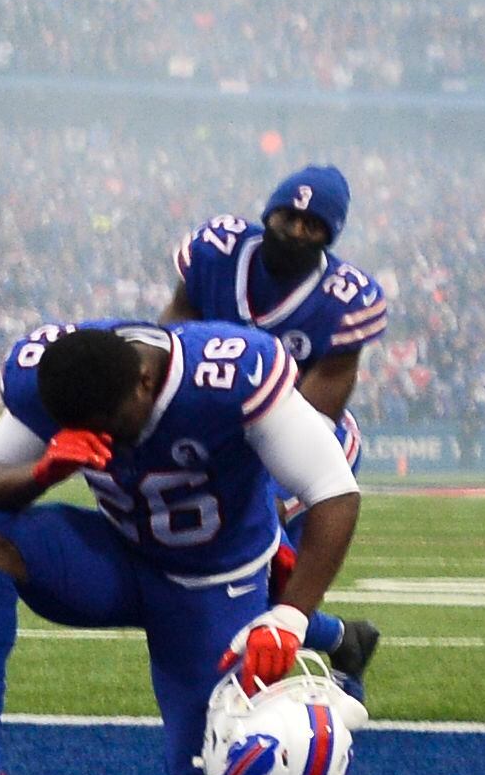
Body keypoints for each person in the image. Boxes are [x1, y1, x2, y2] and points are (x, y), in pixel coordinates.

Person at [0, 319, 363, 775]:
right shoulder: (57, 378)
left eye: (107, 423)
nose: (103, 439)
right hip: (116, 558)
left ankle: (325, 633)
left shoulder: (228, 376)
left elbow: (333, 489)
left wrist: (293, 615)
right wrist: (41, 471)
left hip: (212, 583)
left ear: (145, 381)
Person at [163, 163, 386, 687]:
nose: (297, 232)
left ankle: (326, 682)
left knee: (271, 586)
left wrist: (266, 481)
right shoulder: (217, 251)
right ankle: (340, 640)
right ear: (270, 212)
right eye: (289, 217)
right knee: (213, 580)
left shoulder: (344, 298)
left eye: (313, 226)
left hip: (304, 442)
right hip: (215, 437)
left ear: (330, 236)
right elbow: (172, 339)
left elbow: (317, 410)